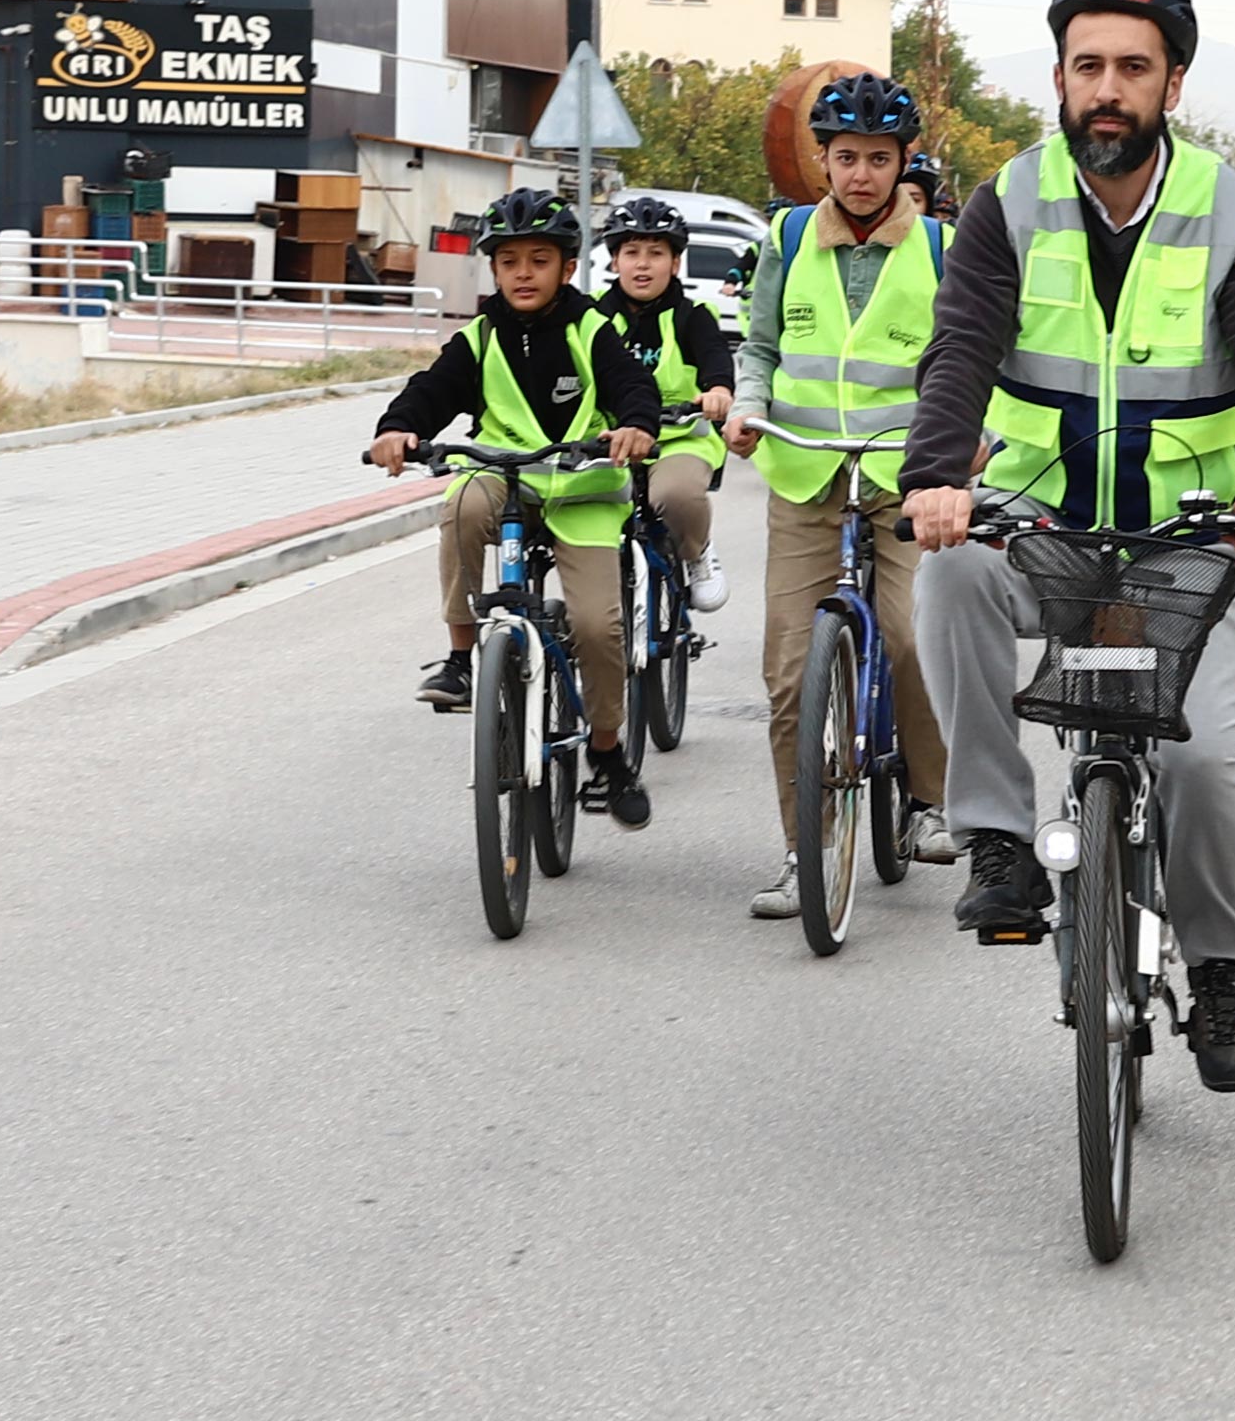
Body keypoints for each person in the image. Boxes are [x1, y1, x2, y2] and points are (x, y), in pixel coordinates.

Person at [902, 0, 1235, 1089]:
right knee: (948, 572)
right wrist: (937, 478)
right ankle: (997, 838)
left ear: (1172, 84)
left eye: (1133, 68)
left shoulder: (1227, 205)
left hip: (1187, 540)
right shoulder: (1010, 199)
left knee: (1209, 765)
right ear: (1058, 76)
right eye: (1087, 65)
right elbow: (963, 345)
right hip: (1039, 522)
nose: (1107, 88)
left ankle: (1222, 966)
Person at [363, 186, 664, 826]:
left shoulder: (591, 328)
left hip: (582, 491)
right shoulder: (480, 336)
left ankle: (606, 751)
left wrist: (637, 424)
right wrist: (398, 427)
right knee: (462, 503)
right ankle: (460, 657)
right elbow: (431, 389)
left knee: (597, 627)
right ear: (494, 270)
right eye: (509, 262)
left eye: (539, 260)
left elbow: (632, 383)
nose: (523, 274)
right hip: (507, 479)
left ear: (568, 267)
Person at [734, 76, 964, 915]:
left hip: (906, 478)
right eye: (845, 158)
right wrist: (749, 405)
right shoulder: (788, 236)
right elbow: (759, 345)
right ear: (822, 162)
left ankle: (928, 801)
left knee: (909, 636)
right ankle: (806, 850)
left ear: (903, 164)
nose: (861, 175)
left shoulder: (940, 246)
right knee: (791, 671)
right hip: (806, 473)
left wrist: (968, 441)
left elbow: (967, 358)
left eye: (878, 159)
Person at [590, 196, 738, 617]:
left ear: (675, 263)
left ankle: (696, 550)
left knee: (676, 495)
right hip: (610, 440)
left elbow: (715, 358)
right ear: (614, 261)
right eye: (631, 253)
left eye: (656, 253)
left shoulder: (694, 316)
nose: (642, 264)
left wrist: (718, 390)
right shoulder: (592, 315)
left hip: (678, 438)